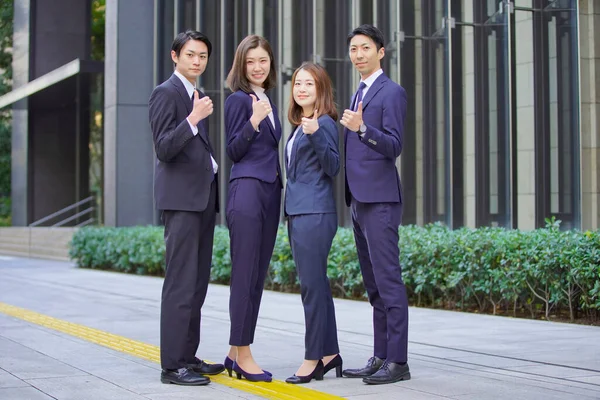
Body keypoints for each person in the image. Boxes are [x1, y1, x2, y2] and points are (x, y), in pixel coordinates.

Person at [148, 30, 225, 386]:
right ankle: (172, 366)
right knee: (180, 283)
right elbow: (164, 147)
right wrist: (192, 120)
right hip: (181, 202)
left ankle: (187, 357)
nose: (197, 61)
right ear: (174, 55)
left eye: (203, 56)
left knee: (196, 284)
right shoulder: (166, 93)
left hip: (202, 201)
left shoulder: (196, 94)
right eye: (191, 55)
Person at [339, 24, 411, 385]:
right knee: (373, 285)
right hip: (358, 199)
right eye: (353, 49)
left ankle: (398, 361)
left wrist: (363, 129)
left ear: (381, 52)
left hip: (381, 199)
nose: (358, 54)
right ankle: (381, 355)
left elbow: (395, 145)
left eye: (365, 48)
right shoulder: (359, 92)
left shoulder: (391, 92)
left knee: (388, 281)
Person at [223, 34, 281, 383]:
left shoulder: (267, 98)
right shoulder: (238, 101)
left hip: (270, 193)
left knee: (256, 276)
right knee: (244, 274)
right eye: (251, 62)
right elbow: (233, 149)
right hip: (246, 192)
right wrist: (254, 120)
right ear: (241, 65)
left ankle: (233, 352)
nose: (258, 67)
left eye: (263, 60)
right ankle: (243, 354)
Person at [283, 62, 343, 384]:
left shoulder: (325, 124)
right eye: (297, 84)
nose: (302, 89)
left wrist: (317, 134)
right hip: (299, 213)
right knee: (316, 284)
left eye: (308, 83)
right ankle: (330, 354)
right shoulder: (301, 125)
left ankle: (312, 359)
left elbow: (333, 167)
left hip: (315, 214)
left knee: (311, 287)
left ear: (321, 88)